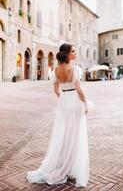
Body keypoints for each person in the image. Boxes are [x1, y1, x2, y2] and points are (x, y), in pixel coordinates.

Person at [26, 43, 89, 187]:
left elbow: (56, 90)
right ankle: (69, 166)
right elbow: (79, 89)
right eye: (73, 51)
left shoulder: (55, 71)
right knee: (74, 134)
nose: (75, 53)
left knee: (64, 133)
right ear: (67, 54)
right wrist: (85, 102)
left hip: (64, 102)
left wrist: (64, 99)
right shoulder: (75, 69)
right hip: (74, 101)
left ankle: (63, 163)